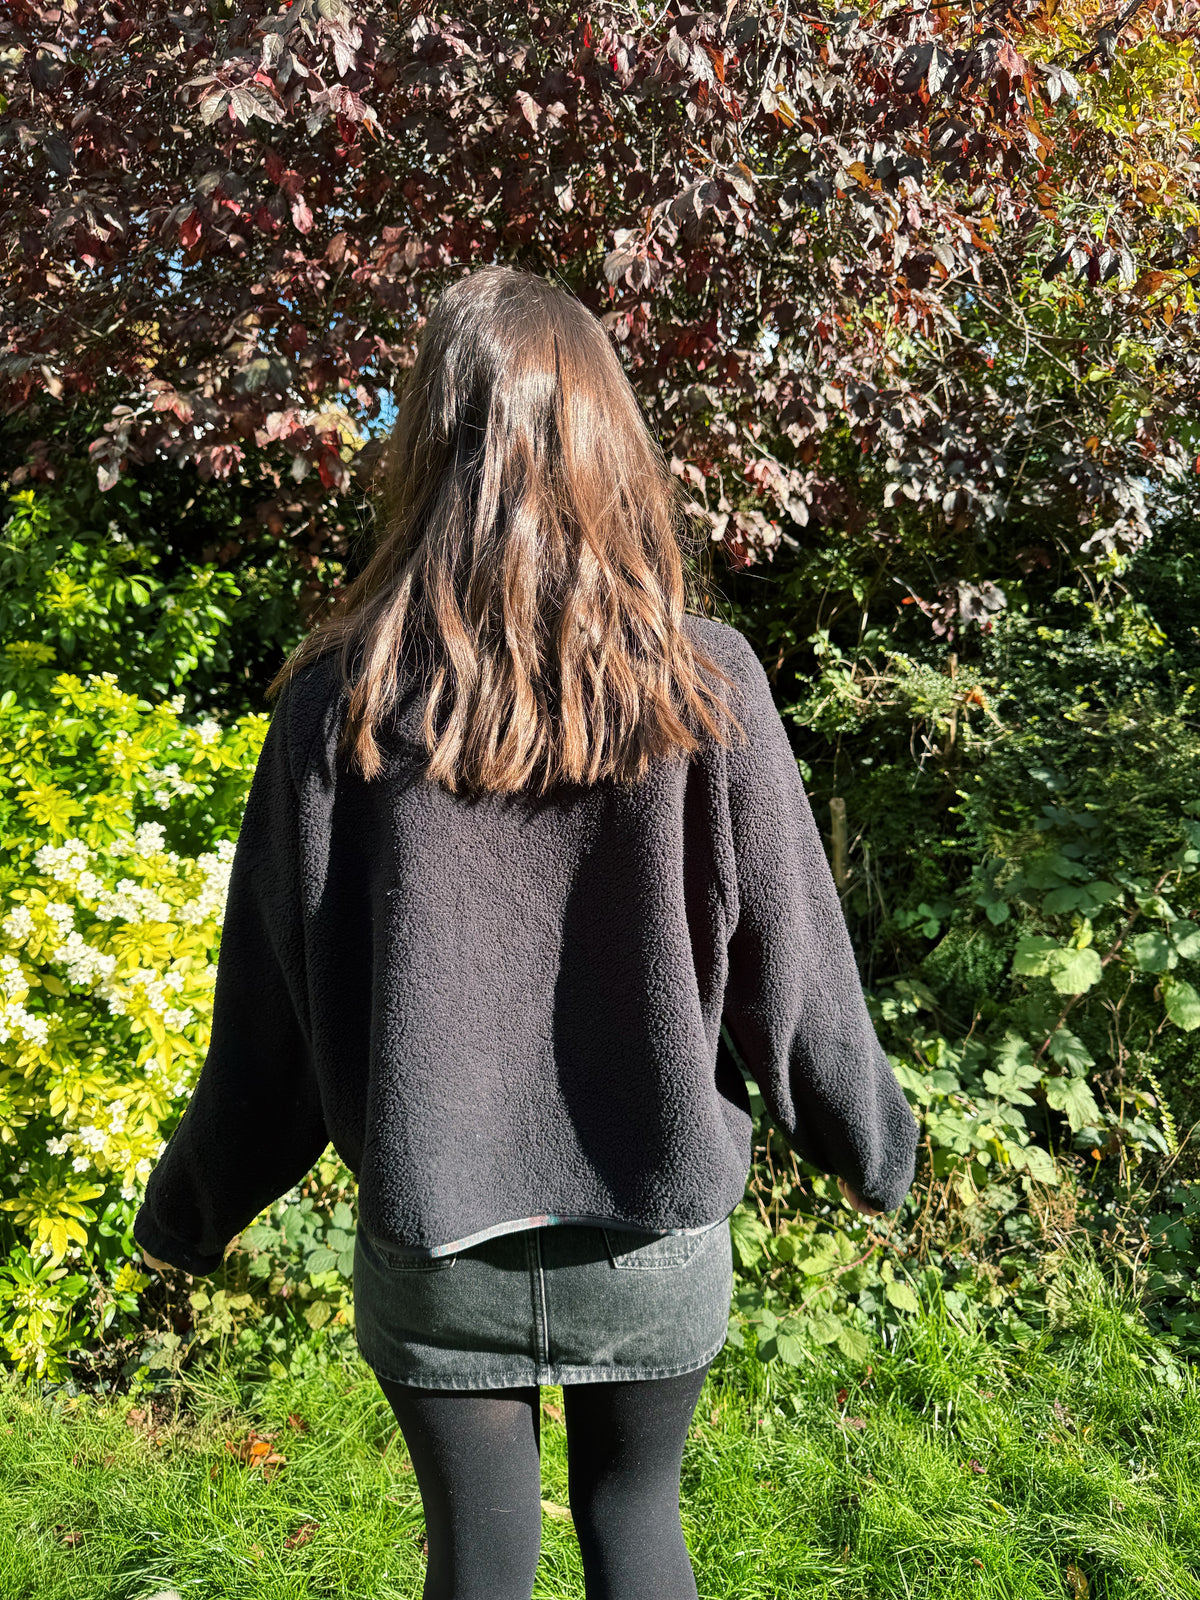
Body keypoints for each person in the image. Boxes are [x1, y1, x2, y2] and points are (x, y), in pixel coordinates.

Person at [135, 264, 919, 1600]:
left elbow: (270, 1015)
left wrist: (198, 1206)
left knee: (479, 1557)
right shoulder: (701, 682)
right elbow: (792, 970)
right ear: (612, 448)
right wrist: (868, 1143)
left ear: (426, 452)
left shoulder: (337, 706)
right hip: (651, 1234)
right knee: (636, 1529)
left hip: (438, 1234)